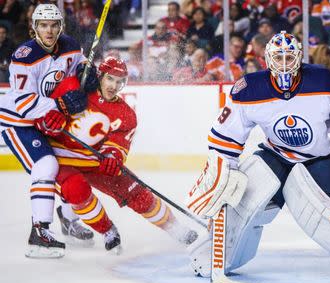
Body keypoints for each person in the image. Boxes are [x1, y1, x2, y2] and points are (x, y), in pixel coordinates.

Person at [185, 31, 330, 283]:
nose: (283, 64)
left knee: (325, 212)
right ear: (266, 60)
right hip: (276, 156)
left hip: (322, 159)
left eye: (289, 57)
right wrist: (224, 168)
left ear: (300, 58)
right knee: (243, 198)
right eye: (278, 58)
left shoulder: (323, 80)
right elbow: (225, 137)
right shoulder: (249, 88)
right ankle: (216, 254)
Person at [42, 57, 199, 253]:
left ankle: (176, 229)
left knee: (138, 194)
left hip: (94, 162)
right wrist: (51, 119)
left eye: (119, 81)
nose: (114, 86)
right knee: (76, 191)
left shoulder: (125, 114)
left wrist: (113, 157)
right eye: (110, 79)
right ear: (100, 76)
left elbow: (118, 146)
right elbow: (44, 115)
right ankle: (105, 229)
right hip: (63, 158)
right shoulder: (78, 90)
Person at [0, 3, 97, 258]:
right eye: (44, 25)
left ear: (60, 26)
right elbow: (23, 103)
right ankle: (39, 232)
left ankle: (67, 217)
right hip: (18, 122)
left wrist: (88, 73)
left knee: (76, 164)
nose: (49, 30)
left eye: (54, 25)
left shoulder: (71, 45)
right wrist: (60, 104)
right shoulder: (24, 57)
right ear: (34, 28)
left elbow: (80, 64)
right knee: (46, 166)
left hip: (49, 119)